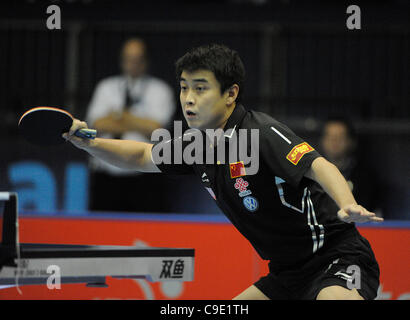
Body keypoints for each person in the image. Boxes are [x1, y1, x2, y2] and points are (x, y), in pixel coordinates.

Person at [64, 44, 383, 300]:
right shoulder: (196, 144)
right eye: (184, 87)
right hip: (287, 274)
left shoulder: (259, 132)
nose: (189, 99)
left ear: (230, 94)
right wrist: (87, 143)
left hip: (337, 257)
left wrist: (346, 203)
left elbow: (318, 165)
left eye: (200, 89)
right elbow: (142, 154)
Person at [85, 38, 176, 212]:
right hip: (106, 174)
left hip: (145, 176)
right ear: (121, 60)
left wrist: (119, 116)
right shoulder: (106, 87)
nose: (132, 64)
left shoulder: (161, 90)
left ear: (146, 61)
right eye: (128, 58)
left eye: (137, 59)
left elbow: (156, 129)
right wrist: (139, 122)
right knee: (103, 232)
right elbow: (96, 124)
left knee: (147, 234)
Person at [319, 117, 382, 215]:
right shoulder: (311, 172)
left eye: (340, 137)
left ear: (352, 141)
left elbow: (373, 213)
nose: (334, 141)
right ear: (322, 140)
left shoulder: (365, 176)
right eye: (330, 136)